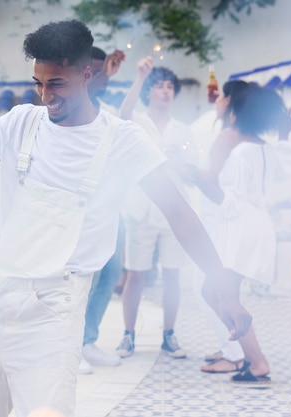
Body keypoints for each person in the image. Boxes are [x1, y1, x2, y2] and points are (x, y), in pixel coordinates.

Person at [0, 19, 251, 417]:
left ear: (87, 75)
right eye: (38, 83)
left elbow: (181, 214)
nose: (45, 95)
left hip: (57, 309)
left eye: (56, 84)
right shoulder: (20, 123)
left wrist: (224, 288)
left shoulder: (123, 140)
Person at [186, 81, 291, 385]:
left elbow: (213, 187)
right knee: (217, 291)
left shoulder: (229, 139)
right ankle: (248, 355)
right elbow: (285, 168)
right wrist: (285, 135)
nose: (221, 102)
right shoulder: (263, 147)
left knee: (219, 292)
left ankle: (255, 360)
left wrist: (187, 172)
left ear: (234, 111)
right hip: (258, 226)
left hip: (236, 225)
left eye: (225, 100)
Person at [115, 58, 194, 359]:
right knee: (136, 274)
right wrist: (139, 77)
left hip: (173, 211)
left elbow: (192, 171)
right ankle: (128, 335)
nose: (165, 91)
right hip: (141, 208)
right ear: (148, 92)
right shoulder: (137, 121)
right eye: (159, 86)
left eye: (170, 87)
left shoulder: (183, 130)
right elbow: (122, 114)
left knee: (172, 275)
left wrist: (179, 162)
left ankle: (169, 335)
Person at [79, 45, 126, 375]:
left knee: (110, 274)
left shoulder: (107, 111)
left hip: (112, 207)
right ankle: (71, 347)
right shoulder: (71, 112)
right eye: (94, 72)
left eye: (102, 71)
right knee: (86, 280)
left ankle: (87, 341)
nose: (101, 77)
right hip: (82, 212)